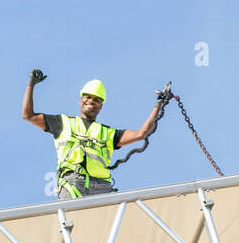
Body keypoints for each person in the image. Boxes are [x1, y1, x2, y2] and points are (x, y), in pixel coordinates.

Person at [21, 70, 165, 200]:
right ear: (80, 100)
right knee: (72, 223)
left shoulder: (108, 133)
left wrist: (158, 106)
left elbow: (141, 134)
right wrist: (31, 85)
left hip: (102, 187)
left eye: (96, 99)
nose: (91, 101)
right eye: (88, 97)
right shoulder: (63, 123)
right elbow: (27, 115)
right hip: (73, 183)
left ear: (101, 106)